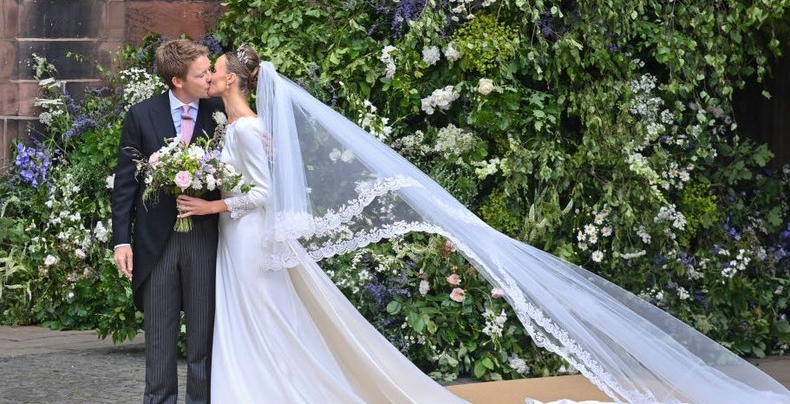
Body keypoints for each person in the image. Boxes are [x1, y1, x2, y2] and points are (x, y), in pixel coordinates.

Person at [177, 45, 790, 404]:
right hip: (239, 237)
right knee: (261, 319)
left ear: (233, 78)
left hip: (247, 235)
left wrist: (212, 205)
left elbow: (263, 193)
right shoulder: (231, 127)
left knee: (267, 317)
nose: (210, 75)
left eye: (217, 69)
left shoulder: (246, 127)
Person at [112, 39, 224, 404]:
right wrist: (121, 240)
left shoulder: (220, 112)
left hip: (205, 238)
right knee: (159, 339)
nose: (209, 77)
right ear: (177, 80)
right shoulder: (142, 115)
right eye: (201, 73)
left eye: (208, 70)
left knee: (203, 338)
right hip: (155, 243)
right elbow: (126, 184)